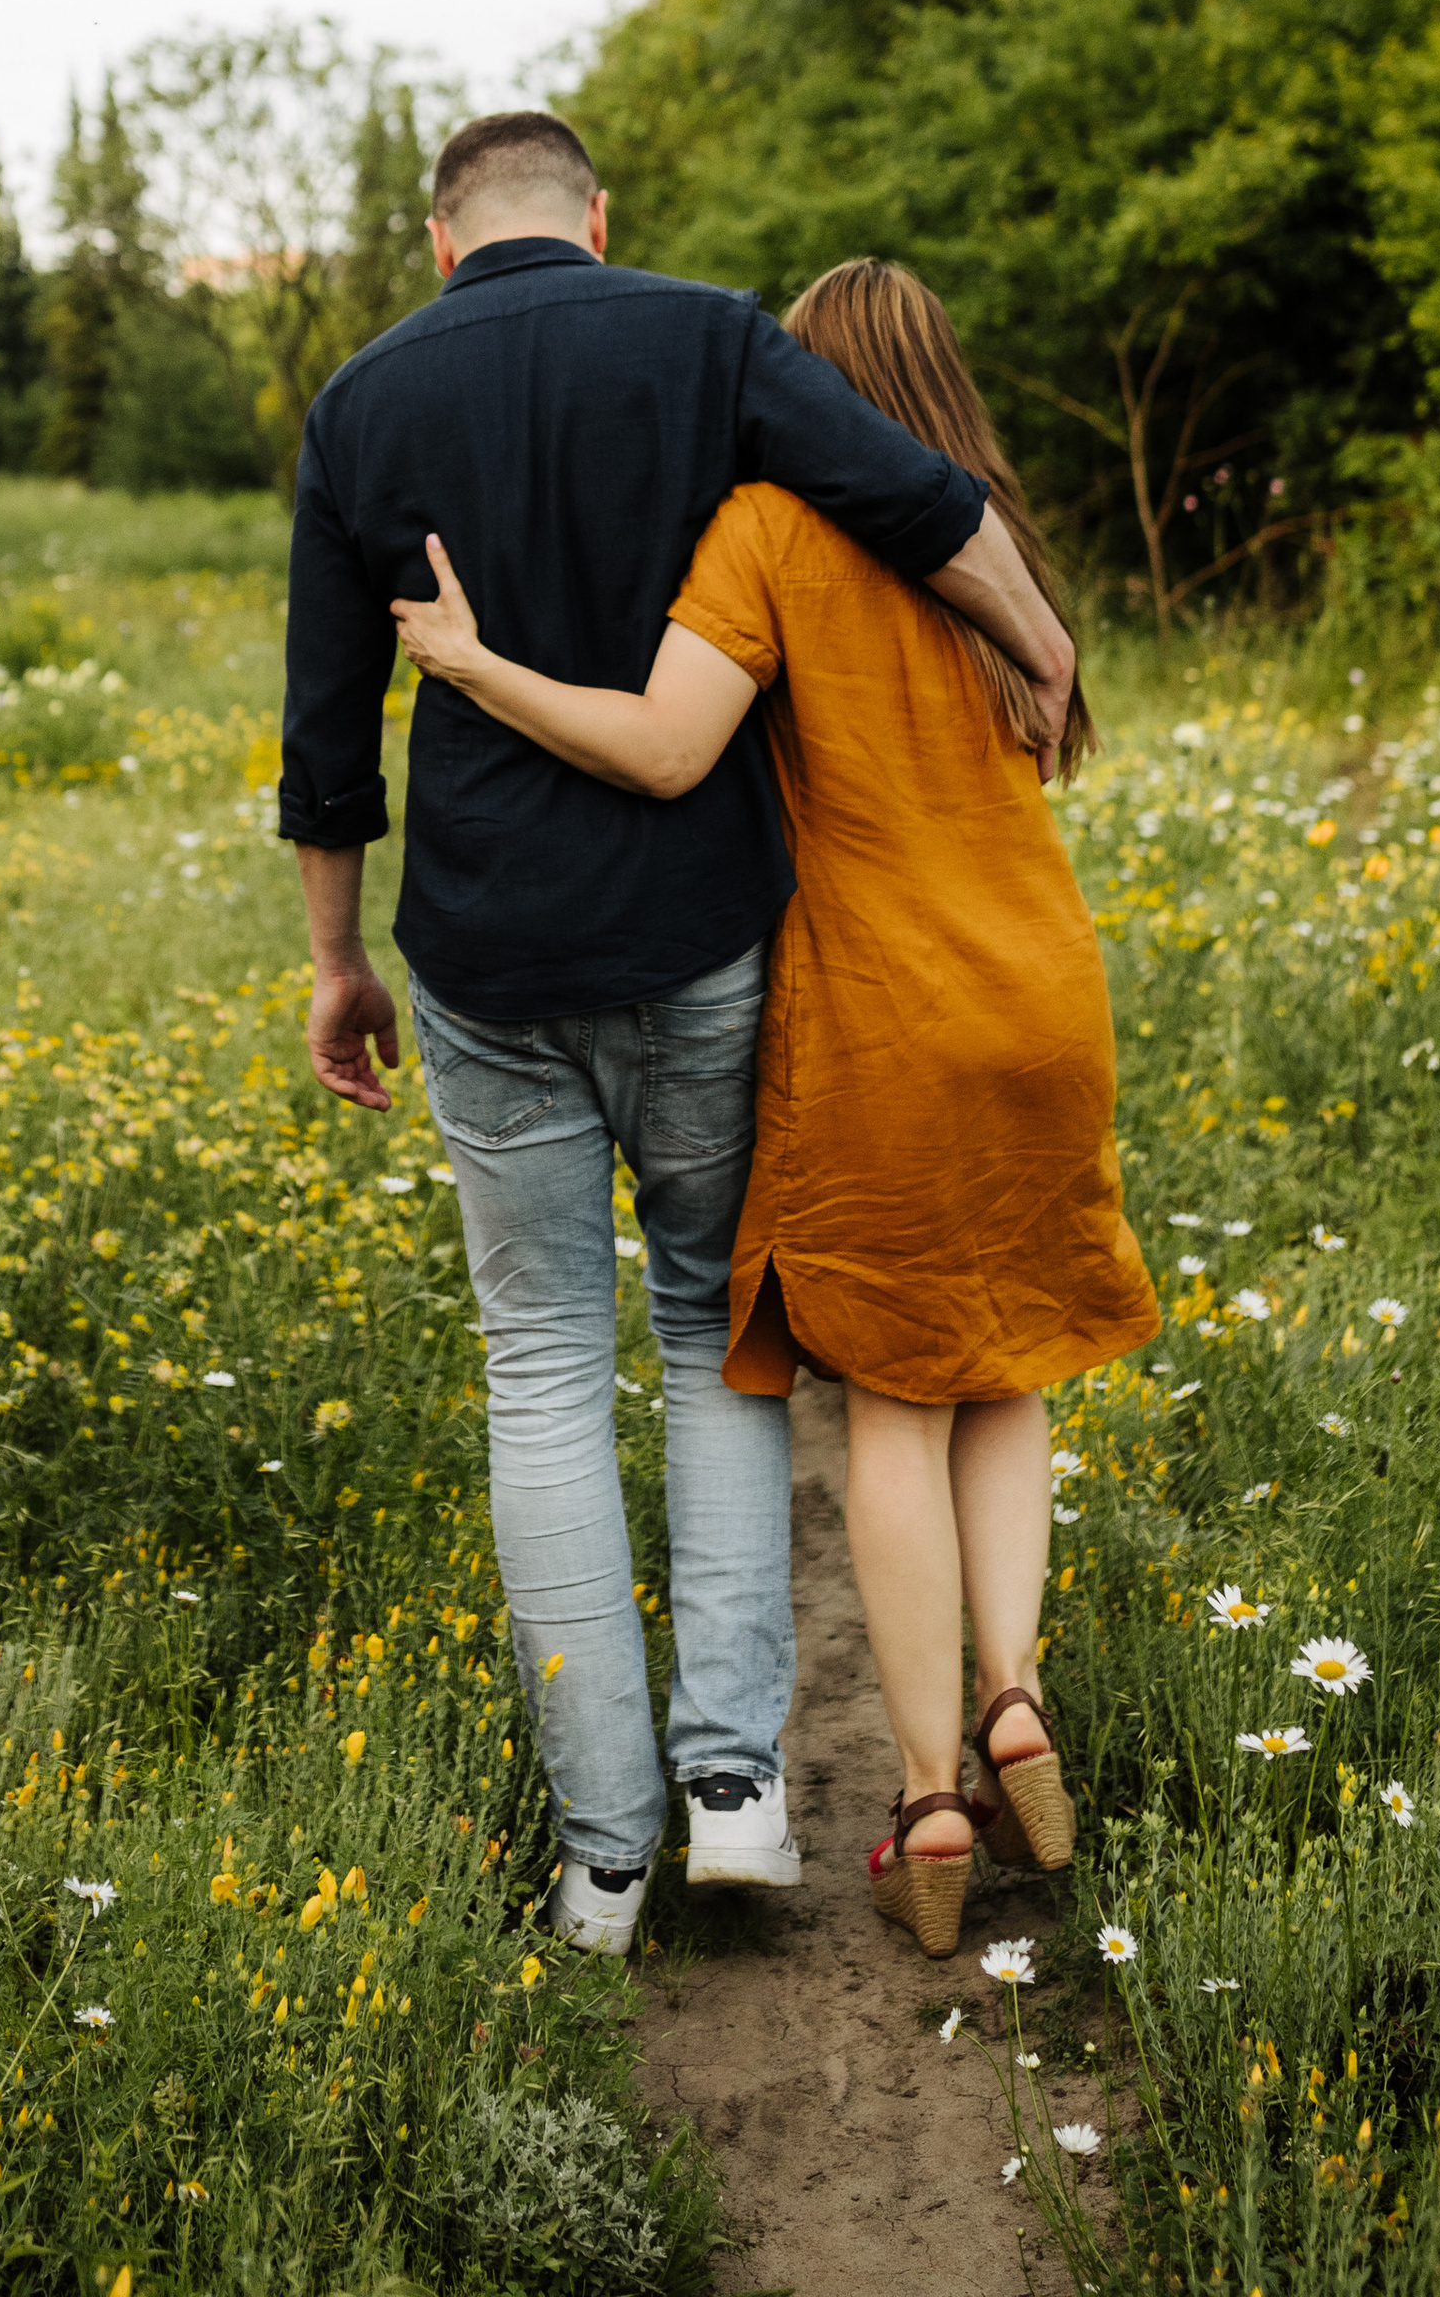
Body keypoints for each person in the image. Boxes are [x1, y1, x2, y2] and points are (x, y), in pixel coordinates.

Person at [278, 117, 1079, 1959]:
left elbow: (327, 734)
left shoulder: (360, 403)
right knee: (723, 1336)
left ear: (439, 239)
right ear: (596, 215)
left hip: (484, 954)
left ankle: (601, 1858)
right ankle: (736, 1794)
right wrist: (1040, 644)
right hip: (697, 941)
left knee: (543, 1366)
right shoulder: (707, 335)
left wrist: (335, 962)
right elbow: (922, 503)